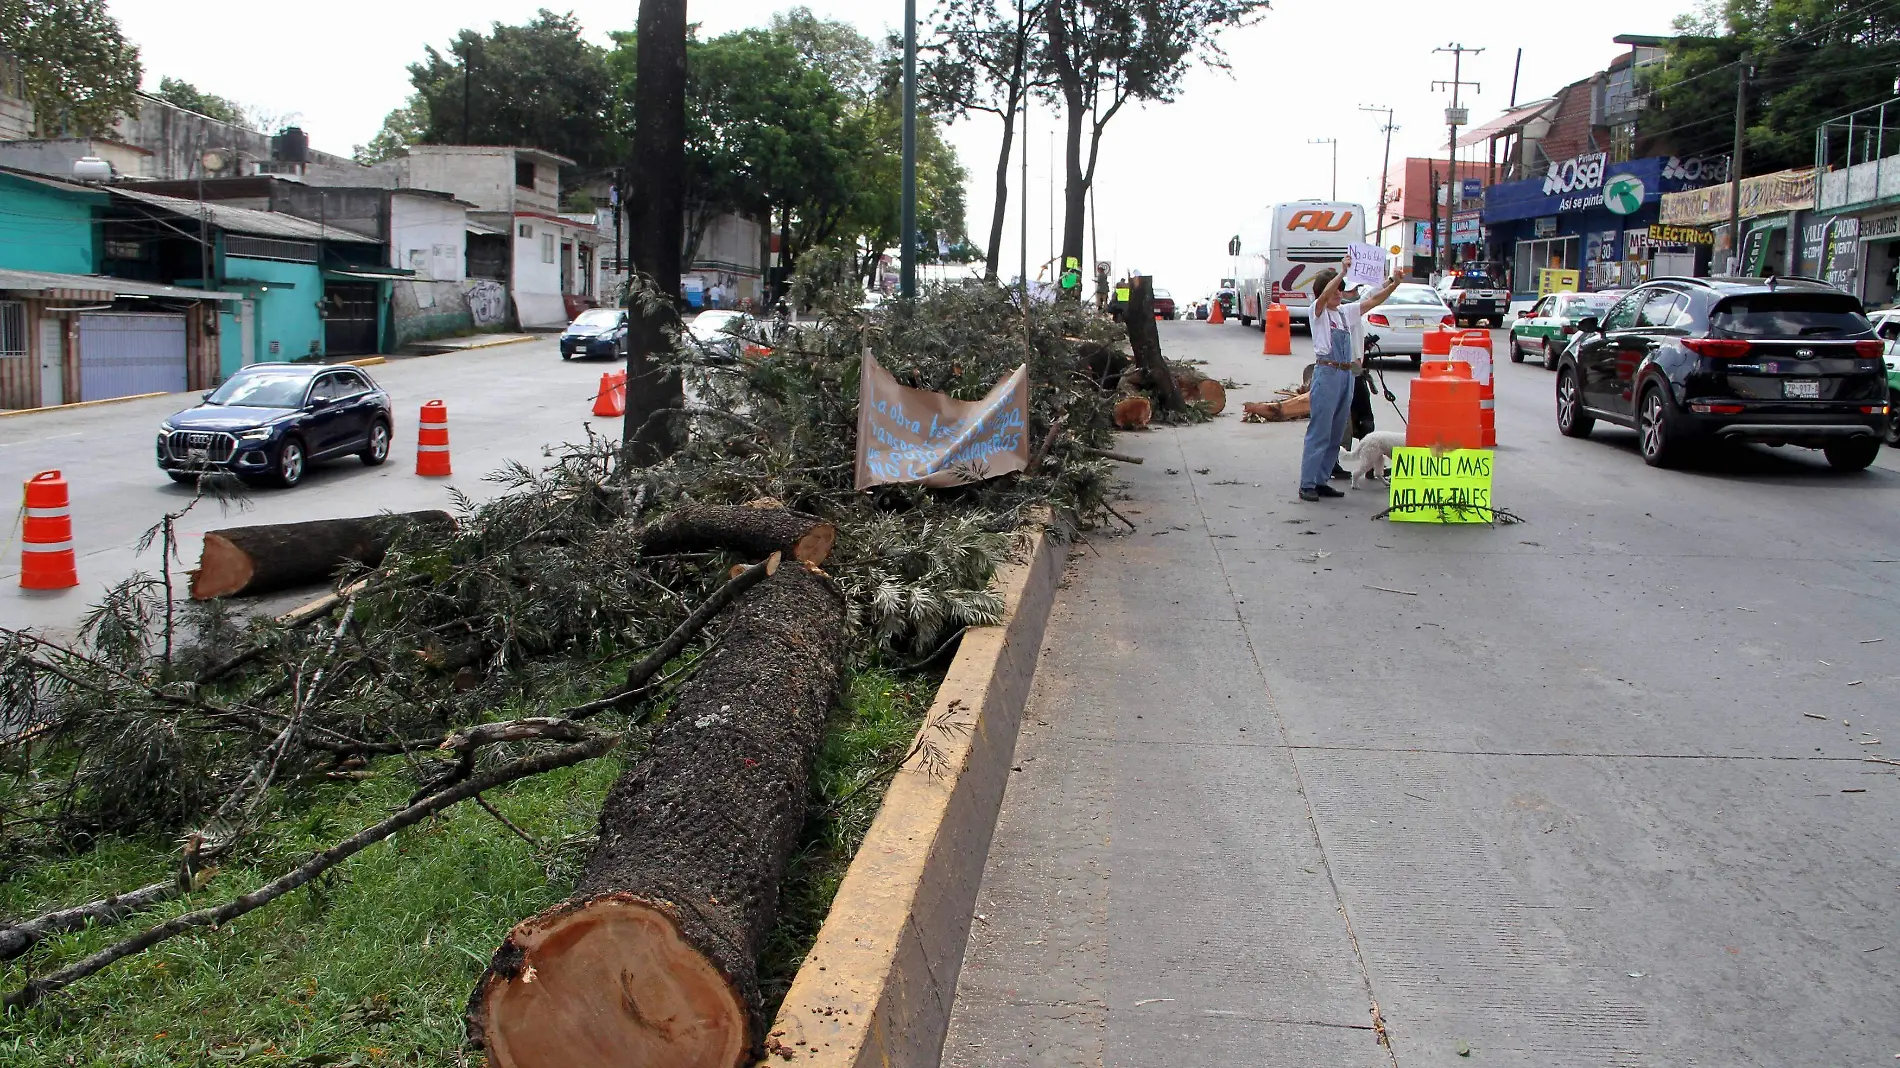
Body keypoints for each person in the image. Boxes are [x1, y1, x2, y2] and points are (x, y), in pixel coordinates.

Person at [1298, 256, 1403, 502]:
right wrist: (1342, 272)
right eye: (1335, 290)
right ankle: (1307, 482)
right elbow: (1324, 296)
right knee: (1320, 430)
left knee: (1336, 432)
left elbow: (1373, 300)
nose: (1338, 294)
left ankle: (1322, 480)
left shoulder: (1345, 312)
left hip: (1346, 374)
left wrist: (1394, 284)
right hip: (1327, 372)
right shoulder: (1318, 312)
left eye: (1340, 291)